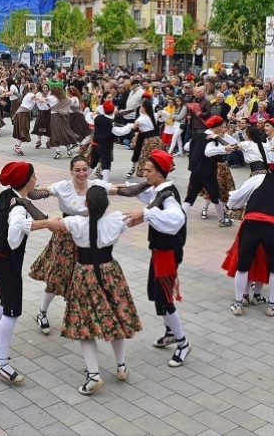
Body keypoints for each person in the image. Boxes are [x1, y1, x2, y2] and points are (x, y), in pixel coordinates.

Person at [0, 162, 64, 383]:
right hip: (6, 260)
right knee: (12, 310)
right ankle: (3, 363)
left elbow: (30, 199)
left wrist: (48, 205)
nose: (37, 178)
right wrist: (46, 223)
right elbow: (14, 236)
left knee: (5, 302)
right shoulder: (17, 207)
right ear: (26, 181)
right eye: (34, 176)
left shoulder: (9, 194)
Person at [60, 187, 142, 395]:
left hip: (84, 275)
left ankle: (94, 375)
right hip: (110, 273)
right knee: (115, 317)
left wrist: (30, 220)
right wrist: (147, 212)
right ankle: (121, 366)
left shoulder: (76, 223)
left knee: (84, 325)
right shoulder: (115, 220)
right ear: (106, 205)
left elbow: (52, 224)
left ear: (86, 204)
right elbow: (135, 219)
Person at [26, 156, 118, 334]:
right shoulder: (63, 186)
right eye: (77, 170)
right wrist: (27, 183)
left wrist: (152, 184)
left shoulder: (97, 185)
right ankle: (42, 313)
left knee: (87, 276)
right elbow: (35, 194)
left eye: (85, 170)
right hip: (65, 236)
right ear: (71, 171)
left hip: (88, 236)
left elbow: (123, 191)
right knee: (58, 275)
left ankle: (86, 315)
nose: (82, 174)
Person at [122, 150, 191, 368]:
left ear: (161, 173)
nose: (144, 173)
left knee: (164, 299)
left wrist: (146, 214)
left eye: (149, 170)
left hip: (168, 253)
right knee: (155, 294)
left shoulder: (168, 195)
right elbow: (138, 193)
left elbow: (177, 219)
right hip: (160, 251)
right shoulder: (158, 189)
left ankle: (183, 343)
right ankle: (171, 332)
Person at [223, 152, 274, 317]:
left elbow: (236, 198)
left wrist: (234, 205)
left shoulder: (259, 179)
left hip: (252, 223)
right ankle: (272, 306)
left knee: (243, 264)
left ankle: (238, 304)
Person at [182, 116, 235, 227]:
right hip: (207, 172)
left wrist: (196, 150)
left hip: (195, 171)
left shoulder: (197, 135)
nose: (222, 128)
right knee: (216, 196)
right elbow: (208, 152)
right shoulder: (211, 138)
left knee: (189, 197)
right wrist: (224, 149)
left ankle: (180, 220)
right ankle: (222, 220)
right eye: (221, 126)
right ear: (218, 127)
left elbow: (187, 146)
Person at [128, 100, 166, 178]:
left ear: (144, 108)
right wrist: (160, 112)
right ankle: (159, 172)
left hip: (148, 141)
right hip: (156, 139)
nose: (140, 108)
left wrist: (119, 127)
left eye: (141, 106)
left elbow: (133, 127)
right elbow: (162, 113)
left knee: (146, 158)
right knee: (156, 157)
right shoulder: (153, 116)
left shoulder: (142, 118)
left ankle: (150, 174)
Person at [11, 83, 38, 155]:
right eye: (35, 87)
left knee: (23, 129)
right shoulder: (31, 95)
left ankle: (17, 145)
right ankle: (17, 146)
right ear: (32, 88)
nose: (36, 88)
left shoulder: (29, 95)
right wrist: (44, 99)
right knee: (23, 129)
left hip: (24, 113)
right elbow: (37, 99)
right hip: (22, 114)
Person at [31, 82, 52, 149]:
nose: (45, 89)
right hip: (41, 112)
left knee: (49, 126)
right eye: (44, 88)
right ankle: (39, 141)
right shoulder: (38, 94)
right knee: (39, 125)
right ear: (41, 88)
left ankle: (48, 142)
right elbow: (39, 101)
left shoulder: (50, 94)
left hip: (49, 112)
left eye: (46, 88)